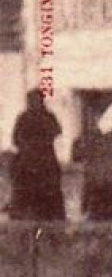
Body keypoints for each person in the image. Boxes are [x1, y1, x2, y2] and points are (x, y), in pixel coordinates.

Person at [8, 88, 66, 221]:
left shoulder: (23, 118)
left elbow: (15, 140)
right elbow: (57, 132)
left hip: (28, 164)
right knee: (48, 203)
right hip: (45, 163)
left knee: (24, 200)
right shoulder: (48, 116)